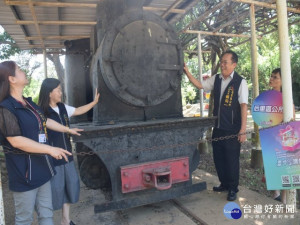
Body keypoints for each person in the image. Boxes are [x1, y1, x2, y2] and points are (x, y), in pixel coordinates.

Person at [0, 61, 82, 225]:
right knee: (25, 219)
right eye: (19, 70)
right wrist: (50, 149)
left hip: (44, 169)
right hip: (24, 174)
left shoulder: (29, 103)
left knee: (46, 215)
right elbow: (16, 140)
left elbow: (46, 122)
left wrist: (67, 130)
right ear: (11, 79)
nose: (23, 71)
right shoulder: (6, 108)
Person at [184, 50, 248, 201]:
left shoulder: (240, 82)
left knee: (231, 159)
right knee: (219, 158)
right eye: (221, 62)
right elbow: (200, 85)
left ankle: (233, 188)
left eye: (225, 62)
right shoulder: (217, 79)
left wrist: (243, 130)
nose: (222, 65)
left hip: (232, 128)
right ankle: (224, 184)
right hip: (218, 127)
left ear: (234, 64)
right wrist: (187, 71)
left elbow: (244, 106)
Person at [38, 78, 100, 225]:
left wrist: (93, 103)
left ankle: (66, 220)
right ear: (49, 92)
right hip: (52, 156)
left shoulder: (62, 107)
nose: (61, 92)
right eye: (58, 89)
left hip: (67, 154)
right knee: (55, 189)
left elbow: (78, 110)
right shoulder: (40, 112)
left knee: (71, 184)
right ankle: (46, 220)